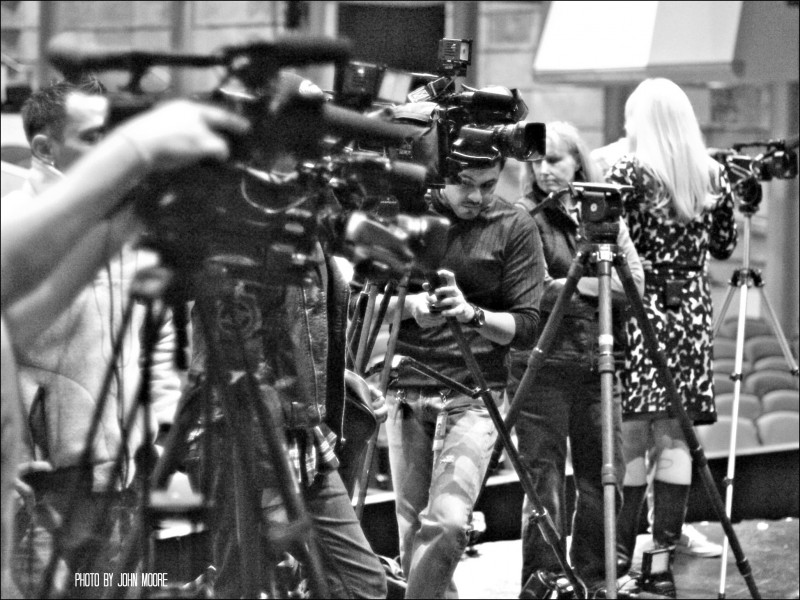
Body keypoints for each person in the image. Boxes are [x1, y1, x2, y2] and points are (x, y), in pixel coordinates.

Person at [1, 95, 249, 599]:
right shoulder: (15, 228)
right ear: (45, 147)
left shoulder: (131, 227)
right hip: (43, 484)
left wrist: (158, 427)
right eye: (95, 138)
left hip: (124, 474)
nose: (113, 152)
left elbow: (154, 336)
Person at [179, 72, 388, 599]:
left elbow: (294, 322)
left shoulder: (301, 205)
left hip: (305, 436)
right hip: (243, 439)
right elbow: (234, 354)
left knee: (362, 584)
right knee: (245, 584)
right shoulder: (236, 210)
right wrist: (271, 489)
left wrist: (334, 377)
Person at [381, 104, 545, 599]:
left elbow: (527, 327)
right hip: (405, 392)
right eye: (465, 183)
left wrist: (470, 313)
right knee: (412, 533)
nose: (476, 196)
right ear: (441, 175)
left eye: (488, 184)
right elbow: (360, 305)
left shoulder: (514, 226)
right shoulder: (407, 217)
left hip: (475, 395)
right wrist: (412, 306)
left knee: (449, 524)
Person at [605, 78, 737, 597]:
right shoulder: (712, 174)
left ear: (644, 120)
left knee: (634, 438)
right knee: (676, 439)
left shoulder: (627, 174)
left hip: (641, 306)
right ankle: (659, 567)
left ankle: (620, 560)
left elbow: (607, 242)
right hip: (692, 311)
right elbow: (724, 245)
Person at [508, 121, 644, 594]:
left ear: (578, 163)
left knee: (604, 476)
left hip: (598, 365)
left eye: (555, 160)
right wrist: (595, 285)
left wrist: (578, 287)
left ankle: (595, 575)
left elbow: (636, 284)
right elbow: (535, 290)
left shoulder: (604, 214)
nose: (544, 170)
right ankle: (544, 579)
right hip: (539, 366)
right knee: (541, 481)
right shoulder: (521, 216)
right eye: (538, 161)